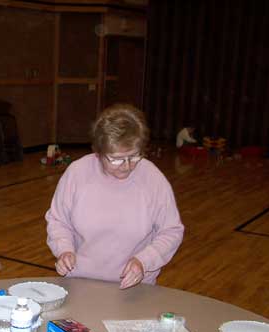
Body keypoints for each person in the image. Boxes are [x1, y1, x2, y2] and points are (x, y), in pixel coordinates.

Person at [45, 104, 184, 289]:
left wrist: (144, 261)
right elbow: (58, 220)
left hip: (134, 287)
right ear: (98, 153)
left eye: (134, 156)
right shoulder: (77, 173)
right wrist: (64, 250)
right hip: (79, 282)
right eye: (117, 159)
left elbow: (171, 231)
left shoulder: (153, 179)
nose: (126, 166)